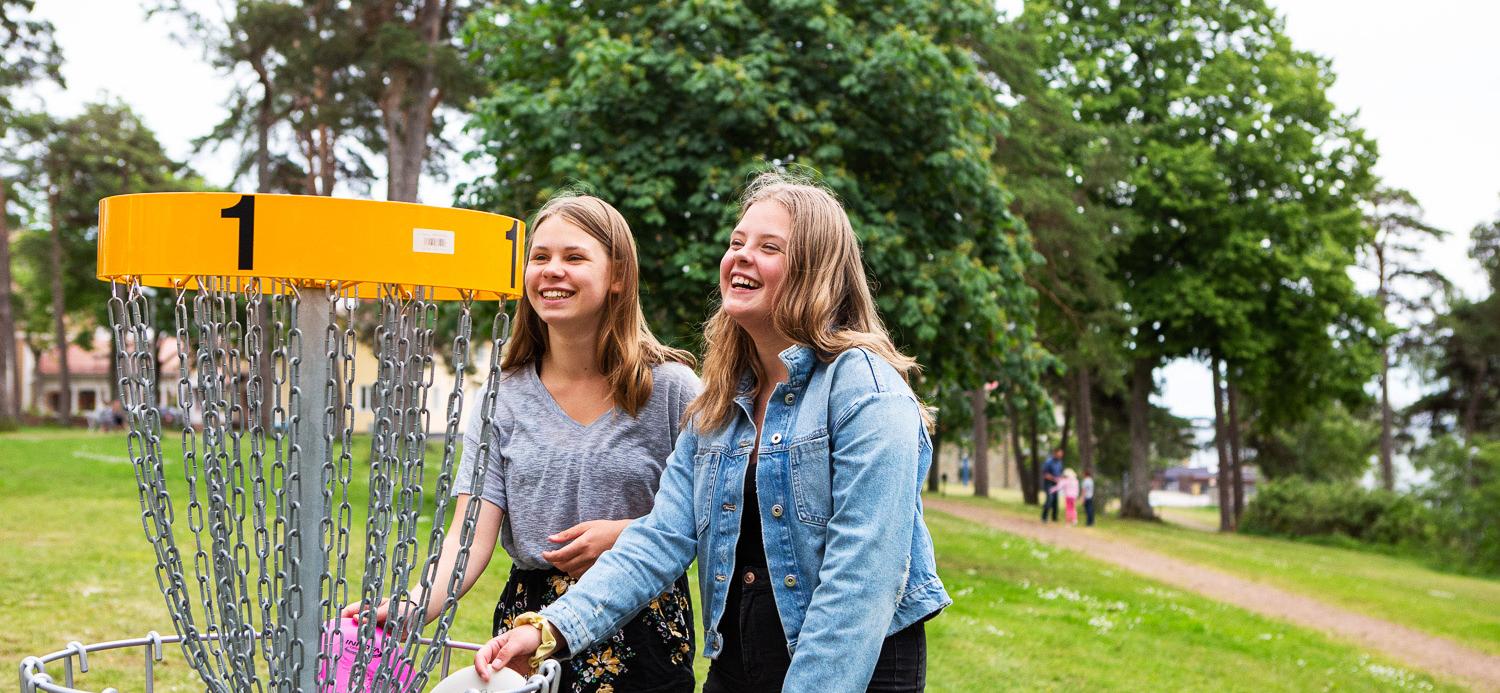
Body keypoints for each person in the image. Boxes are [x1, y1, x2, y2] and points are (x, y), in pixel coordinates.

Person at [472, 172, 951, 692]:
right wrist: (548, 629)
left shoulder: (865, 389)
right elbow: (660, 538)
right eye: (736, 243)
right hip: (741, 661)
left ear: (817, 272)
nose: (740, 256)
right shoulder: (723, 402)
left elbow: (863, 580)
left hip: (856, 667)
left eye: (769, 247)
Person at [341, 195, 701, 693]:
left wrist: (627, 533)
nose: (553, 270)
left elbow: (715, 515)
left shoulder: (672, 390)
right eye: (540, 257)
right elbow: (469, 539)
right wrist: (414, 606)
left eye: (574, 257)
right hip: (525, 632)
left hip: (641, 624)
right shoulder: (503, 397)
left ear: (618, 275)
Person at [1041, 448, 1064, 523]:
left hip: (1056, 484)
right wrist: (1054, 478)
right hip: (1049, 484)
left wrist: (1060, 478)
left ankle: (1054, 517)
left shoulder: (1059, 462)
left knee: (1055, 500)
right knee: (1049, 499)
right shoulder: (1048, 462)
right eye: (1059, 453)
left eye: (1061, 454)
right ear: (1055, 453)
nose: (1061, 455)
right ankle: (1044, 517)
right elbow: (1045, 474)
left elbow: (1060, 473)